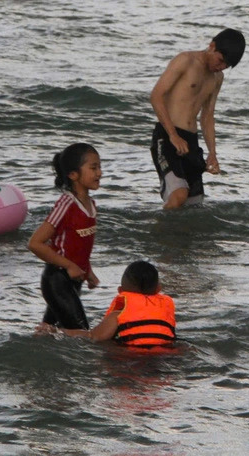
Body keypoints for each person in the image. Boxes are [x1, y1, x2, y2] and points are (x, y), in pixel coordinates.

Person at [149, 29, 246, 209]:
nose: (221, 67)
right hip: (168, 135)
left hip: (191, 142)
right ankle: (158, 234)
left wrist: (213, 153)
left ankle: (179, 237)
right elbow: (156, 96)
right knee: (179, 195)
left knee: (193, 204)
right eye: (220, 61)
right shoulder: (185, 61)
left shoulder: (217, 78)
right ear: (212, 46)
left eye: (226, 65)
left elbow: (208, 116)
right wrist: (172, 135)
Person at [28, 143, 101, 331]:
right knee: (83, 336)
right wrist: (69, 265)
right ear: (73, 175)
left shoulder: (91, 204)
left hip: (75, 279)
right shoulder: (66, 203)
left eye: (99, 167)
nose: (99, 173)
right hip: (57, 280)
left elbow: (79, 245)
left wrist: (88, 271)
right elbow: (35, 243)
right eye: (93, 168)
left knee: (47, 333)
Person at [45, 261, 176, 348]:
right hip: (164, 357)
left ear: (121, 291)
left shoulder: (116, 317)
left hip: (131, 360)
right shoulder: (166, 311)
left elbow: (92, 336)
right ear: (158, 289)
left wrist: (57, 331)